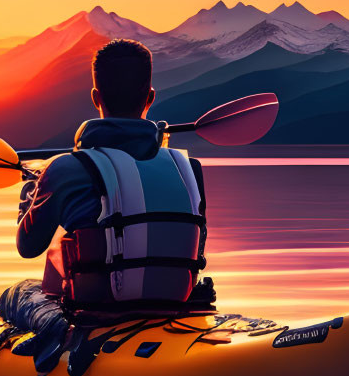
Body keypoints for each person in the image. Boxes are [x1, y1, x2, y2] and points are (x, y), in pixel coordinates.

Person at [15, 39, 208, 311]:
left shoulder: (64, 168)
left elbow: (28, 247)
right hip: (174, 305)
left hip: (96, 311)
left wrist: (31, 193)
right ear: (150, 97)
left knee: (20, 292)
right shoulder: (189, 169)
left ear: (96, 98)